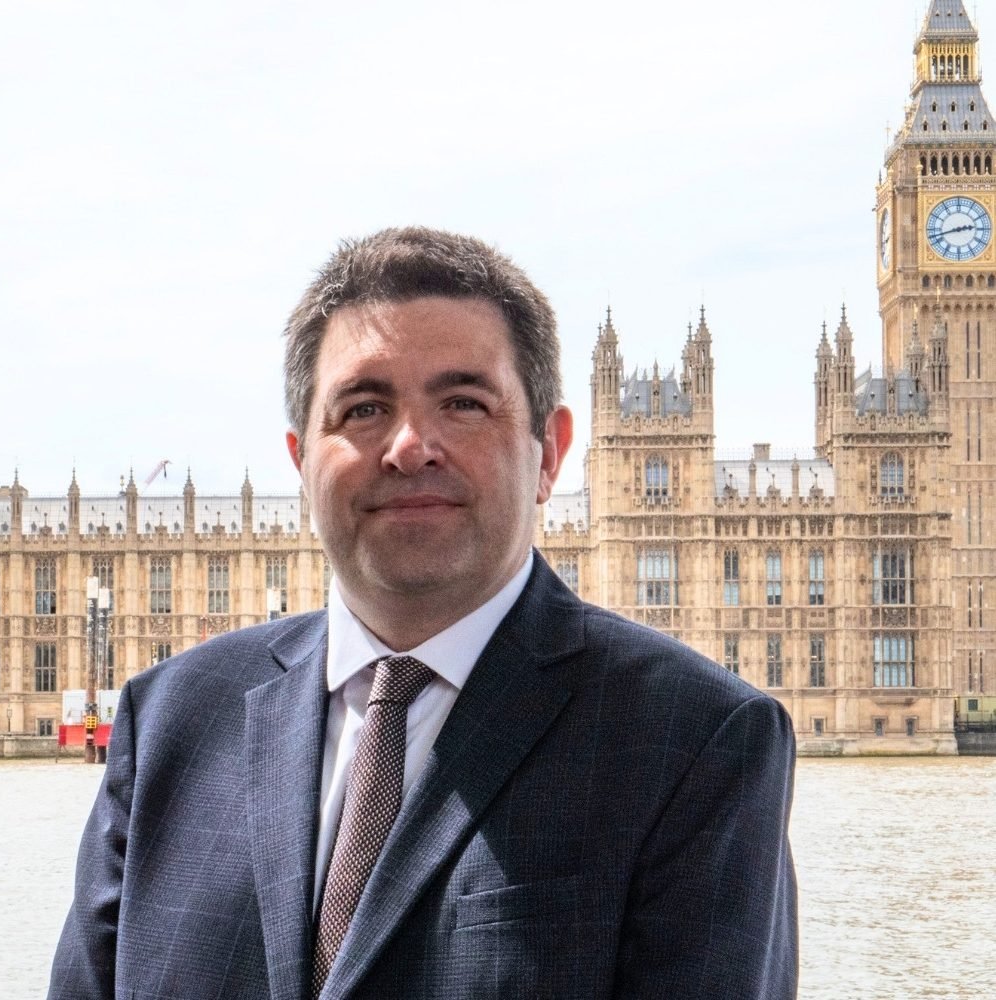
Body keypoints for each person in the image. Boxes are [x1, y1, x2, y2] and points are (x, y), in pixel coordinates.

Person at [49, 227, 797, 999]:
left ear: (551, 451)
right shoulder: (169, 719)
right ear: (300, 460)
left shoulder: (699, 742)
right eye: (364, 407)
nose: (411, 446)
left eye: (464, 403)